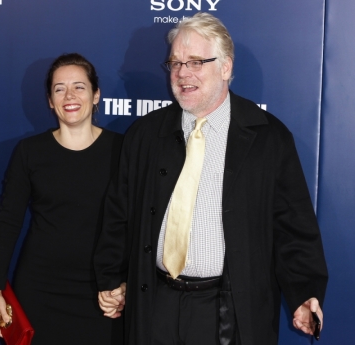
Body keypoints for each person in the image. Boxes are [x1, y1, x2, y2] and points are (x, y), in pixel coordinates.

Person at [94, 12, 328, 345]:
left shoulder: (268, 138)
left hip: (230, 311)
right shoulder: (146, 134)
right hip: (155, 304)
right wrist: (112, 278)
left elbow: (293, 225)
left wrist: (304, 291)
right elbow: (119, 212)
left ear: (226, 68)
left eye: (196, 62)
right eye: (174, 63)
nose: (182, 73)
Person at [0, 53, 124, 345]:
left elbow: (138, 223)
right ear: (50, 100)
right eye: (59, 88)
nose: (69, 95)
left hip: (103, 294)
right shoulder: (29, 152)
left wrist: (125, 283)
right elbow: (8, 223)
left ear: (96, 94)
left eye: (79, 86)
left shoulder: (123, 150)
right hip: (39, 291)